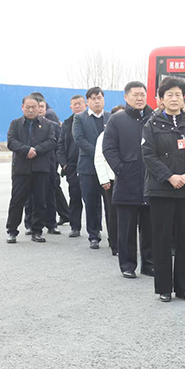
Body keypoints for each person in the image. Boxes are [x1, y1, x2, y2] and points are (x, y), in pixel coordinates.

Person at [141, 77, 185, 302]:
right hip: (161, 189)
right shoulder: (152, 124)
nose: (173, 98)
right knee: (161, 238)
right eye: (168, 95)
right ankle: (163, 288)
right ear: (161, 99)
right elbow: (148, 155)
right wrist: (170, 177)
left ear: (183, 98)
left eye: (178, 95)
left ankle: (183, 287)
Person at [103, 83, 155, 278]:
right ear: (126, 97)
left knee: (150, 228)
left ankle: (149, 264)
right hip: (127, 181)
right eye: (135, 95)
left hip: (151, 182)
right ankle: (127, 265)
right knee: (126, 229)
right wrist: (121, 170)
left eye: (142, 94)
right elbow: (108, 148)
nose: (139, 98)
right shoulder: (117, 120)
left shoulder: (155, 118)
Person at [6, 95, 57, 243]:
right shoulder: (15, 124)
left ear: (40, 107)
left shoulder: (48, 124)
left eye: (34, 107)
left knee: (40, 201)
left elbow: (52, 142)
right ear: (22, 107)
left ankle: (37, 230)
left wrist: (36, 150)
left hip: (41, 169)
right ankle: (12, 230)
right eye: (27, 107)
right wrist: (26, 150)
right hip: (21, 169)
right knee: (17, 200)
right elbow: (11, 142)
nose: (30, 110)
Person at [73, 87, 111, 249]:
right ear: (87, 101)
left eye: (99, 98)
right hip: (87, 168)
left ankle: (114, 235)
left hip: (108, 168)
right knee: (91, 202)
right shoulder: (80, 118)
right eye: (93, 98)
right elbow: (79, 139)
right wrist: (98, 154)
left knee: (111, 204)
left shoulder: (111, 117)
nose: (97, 101)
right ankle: (93, 235)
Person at [57, 95, 86, 238]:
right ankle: (75, 227)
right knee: (75, 197)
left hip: (89, 166)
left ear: (85, 105)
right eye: (74, 104)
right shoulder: (67, 123)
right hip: (72, 166)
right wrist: (64, 164)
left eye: (80, 103)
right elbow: (60, 145)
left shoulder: (90, 121)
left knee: (93, 199)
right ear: (71, 107)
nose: (77, 106)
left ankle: (96, 228)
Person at [94, 107, 119, 256]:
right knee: (113, 213)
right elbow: (99, 159)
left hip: (130, 180)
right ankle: (115, 244)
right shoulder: (104, 136)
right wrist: (104, 180)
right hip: (111, 180)